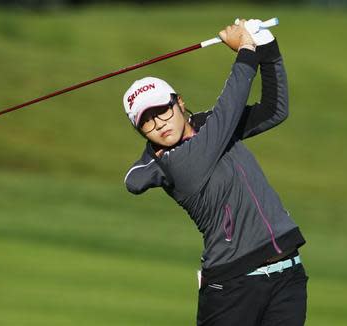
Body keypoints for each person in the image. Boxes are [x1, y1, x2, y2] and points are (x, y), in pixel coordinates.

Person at [122, 19, 308, 326]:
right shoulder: (175, 162)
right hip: (232, 286)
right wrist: (246, 50)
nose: (159, 124)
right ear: (141, 131)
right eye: (147, 121)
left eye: (162, 110)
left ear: (179, 103)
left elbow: (275, 110)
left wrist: (267, 45)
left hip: (287, 274)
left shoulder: (211, 128)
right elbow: (227, 112)